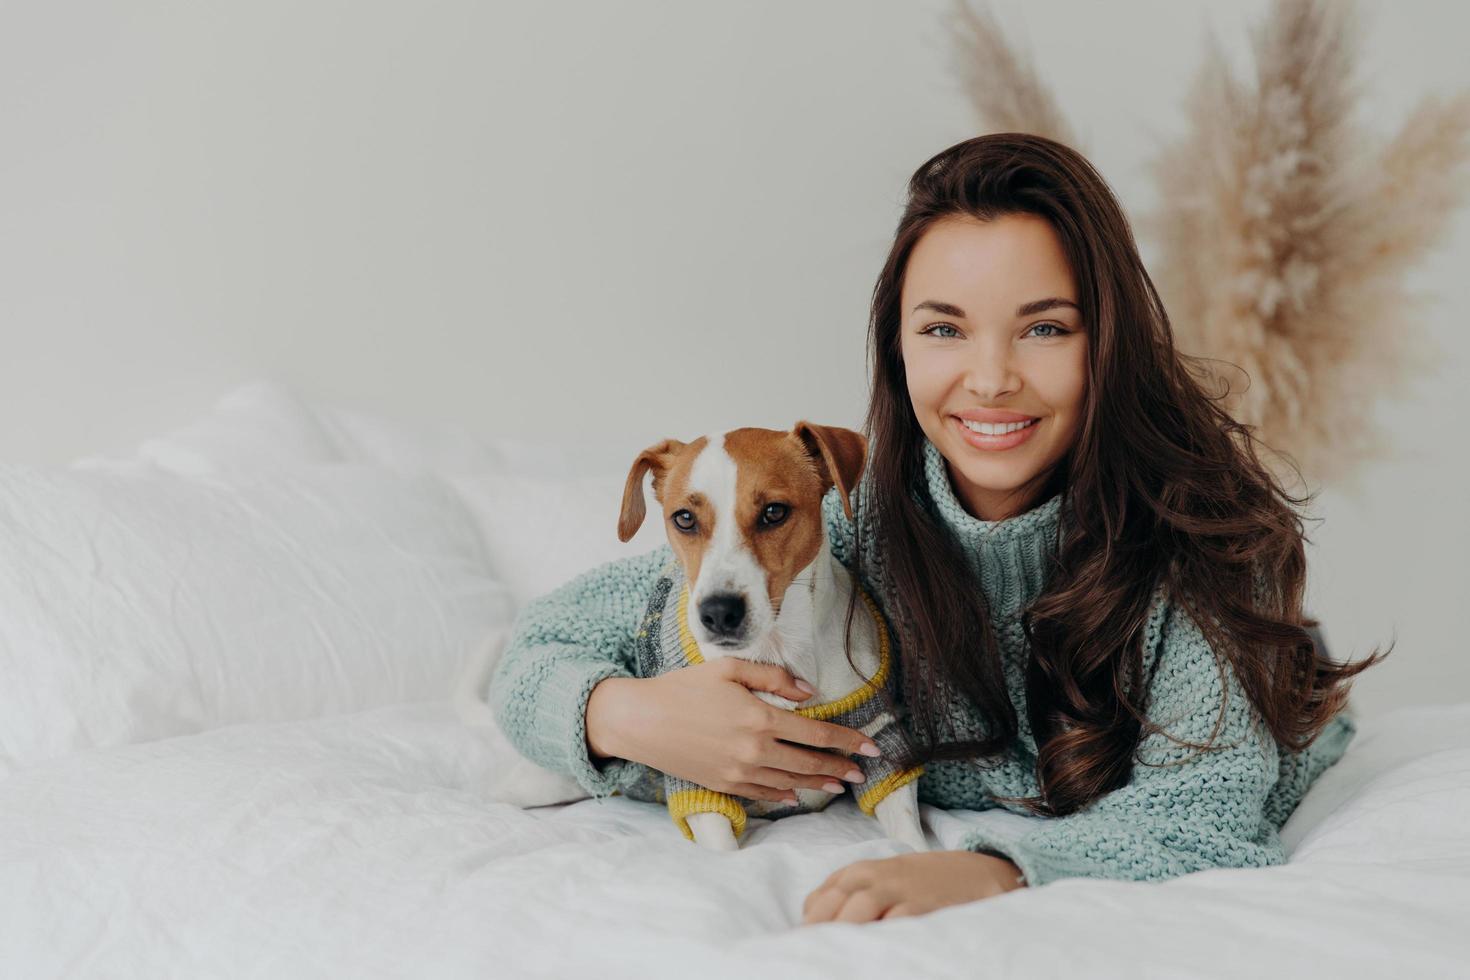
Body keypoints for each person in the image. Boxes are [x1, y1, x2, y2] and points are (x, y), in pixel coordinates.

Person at [487, 133, 1390, 926]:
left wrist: (992, 871)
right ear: (899, 349)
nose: (990, 379)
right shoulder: (825, 527)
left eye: (1042, 328)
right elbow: (539, 648)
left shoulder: (1197, 553)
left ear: (1106, 341)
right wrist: (630, 717)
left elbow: (1204, 810)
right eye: (945, 329)